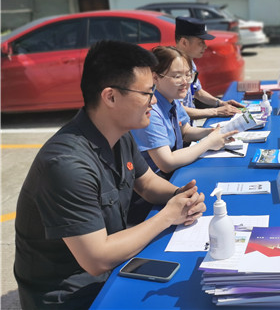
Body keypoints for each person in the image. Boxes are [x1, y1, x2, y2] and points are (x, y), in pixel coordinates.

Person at [14, 40, 206, 309]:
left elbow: (148, 184)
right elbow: (97, 258)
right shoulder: (65, 164)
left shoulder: (119, 134)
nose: (153, 101)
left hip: (113, 270)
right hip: (73, 294)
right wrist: (168, 215)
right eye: (147, 93)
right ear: (111, 97)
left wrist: (181, 196)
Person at [129, 46, 237, 224]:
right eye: (177, 76)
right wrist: (209, 141)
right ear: (155, 77)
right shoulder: (151, 110)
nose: (186, 81)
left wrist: (217, 132)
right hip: (151, 193)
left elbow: (185, 132)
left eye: (188, 75)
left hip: (176, 176)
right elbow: (166, 163)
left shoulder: (172, 98)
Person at [174, 17, 244, 120]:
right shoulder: (174, 68)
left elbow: (198, 92)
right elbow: (179, 109)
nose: (205, 46)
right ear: (184, 42)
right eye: (200, 42)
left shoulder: (189, 62)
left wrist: (220, 103)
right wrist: (216, 111)